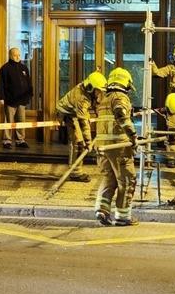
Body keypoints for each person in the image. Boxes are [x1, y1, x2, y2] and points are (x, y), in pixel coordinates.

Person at [95, 68, 138, 226]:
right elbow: (121, 114)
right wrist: (133, 135)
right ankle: (123, 216)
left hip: (102, 147)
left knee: (109, 178)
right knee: (127, 180)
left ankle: (102, 210)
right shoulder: (120, 97)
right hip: (118, 146)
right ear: (125, 82)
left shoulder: (104, 98)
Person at [55, 71, 106, 183]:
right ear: (91, 87)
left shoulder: (89, 92)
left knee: (81, 143)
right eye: (98, 90)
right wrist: (88, 141)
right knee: (78, 142)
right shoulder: (81, 98)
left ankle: (76, 171)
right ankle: (75, 173)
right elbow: (83, 121)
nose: (99, 93)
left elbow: (97, 105)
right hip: (67, 113)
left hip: (75, 113)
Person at [150, 44, 175, 155]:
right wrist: (152, 64)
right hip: (173, 104)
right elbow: (158, 73)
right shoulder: (171, 68)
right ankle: (172, 156)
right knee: (172, 131)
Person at [0, 47, 34, 148]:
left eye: (19, 55)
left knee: (21, 121)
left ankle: (20, 140)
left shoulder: (24, 68)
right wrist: (1, 97)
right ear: (10, 55)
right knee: (9, 121)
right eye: (15, 55)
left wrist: (30, 94)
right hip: (10, 100)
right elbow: (1, 84)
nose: (17, 57)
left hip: (22, 100)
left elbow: (28, 83)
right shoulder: (5, 68)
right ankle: (7, 141)